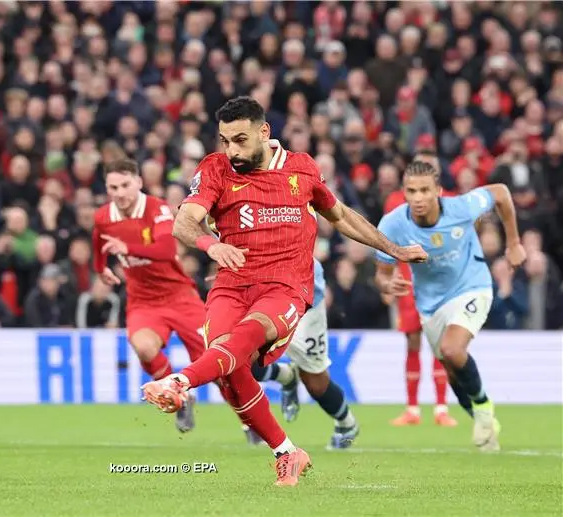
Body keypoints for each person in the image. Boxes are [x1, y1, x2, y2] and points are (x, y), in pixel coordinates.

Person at [140, 97, 427, 487]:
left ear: (264, 132)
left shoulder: (302, 168)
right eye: (225, 141)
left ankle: (179, 382)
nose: (232, 151)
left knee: (246, 341)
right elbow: (184, 223)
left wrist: (392, 249)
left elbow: (340, 216)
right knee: (230, 368)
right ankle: (287, 453)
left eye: (240, 140)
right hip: (231, 282)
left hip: (285, 286)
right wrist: (212, 245)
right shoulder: (215, 168)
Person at [374, 160, 526, 452]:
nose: (418, 198)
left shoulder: (461, 208)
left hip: (473, 286)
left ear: (438, 191)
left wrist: (514, 242)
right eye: (411, 191)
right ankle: (483, 420)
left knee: (453, 350)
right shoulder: (392, 224)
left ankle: (482, 406)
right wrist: (387, 285)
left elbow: (502, 193)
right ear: (403, 192)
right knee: (452, 370)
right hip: (430, 304)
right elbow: (381, 275)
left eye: (424, 190)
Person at [92, 158, 209, 433]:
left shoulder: (157, 208)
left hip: (180, 295)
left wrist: (127, 248)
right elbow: (99, 239)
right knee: (143, 347)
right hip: (143, 300)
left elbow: (166, 251)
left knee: (215, 362)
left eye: (124, 185)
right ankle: (179, 397)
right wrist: (100, 270)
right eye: (113, 187)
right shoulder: (103, 216)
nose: (119, 193)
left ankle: (249, 421)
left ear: (138, 183)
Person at [251, 257, 359, 450]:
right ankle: (285, 376)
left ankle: (346, 424)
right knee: (240, 358)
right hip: (257, 293)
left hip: (303, 295)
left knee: (315, 381)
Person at [383, 151, 457, 427]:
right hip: (407, 282)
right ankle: (412, 409)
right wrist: (386, 277)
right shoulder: (395, 202)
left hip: (440, 285)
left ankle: (441, 408)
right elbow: (386, 241)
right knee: (412, 342)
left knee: (440, 344)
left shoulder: (449, 201)